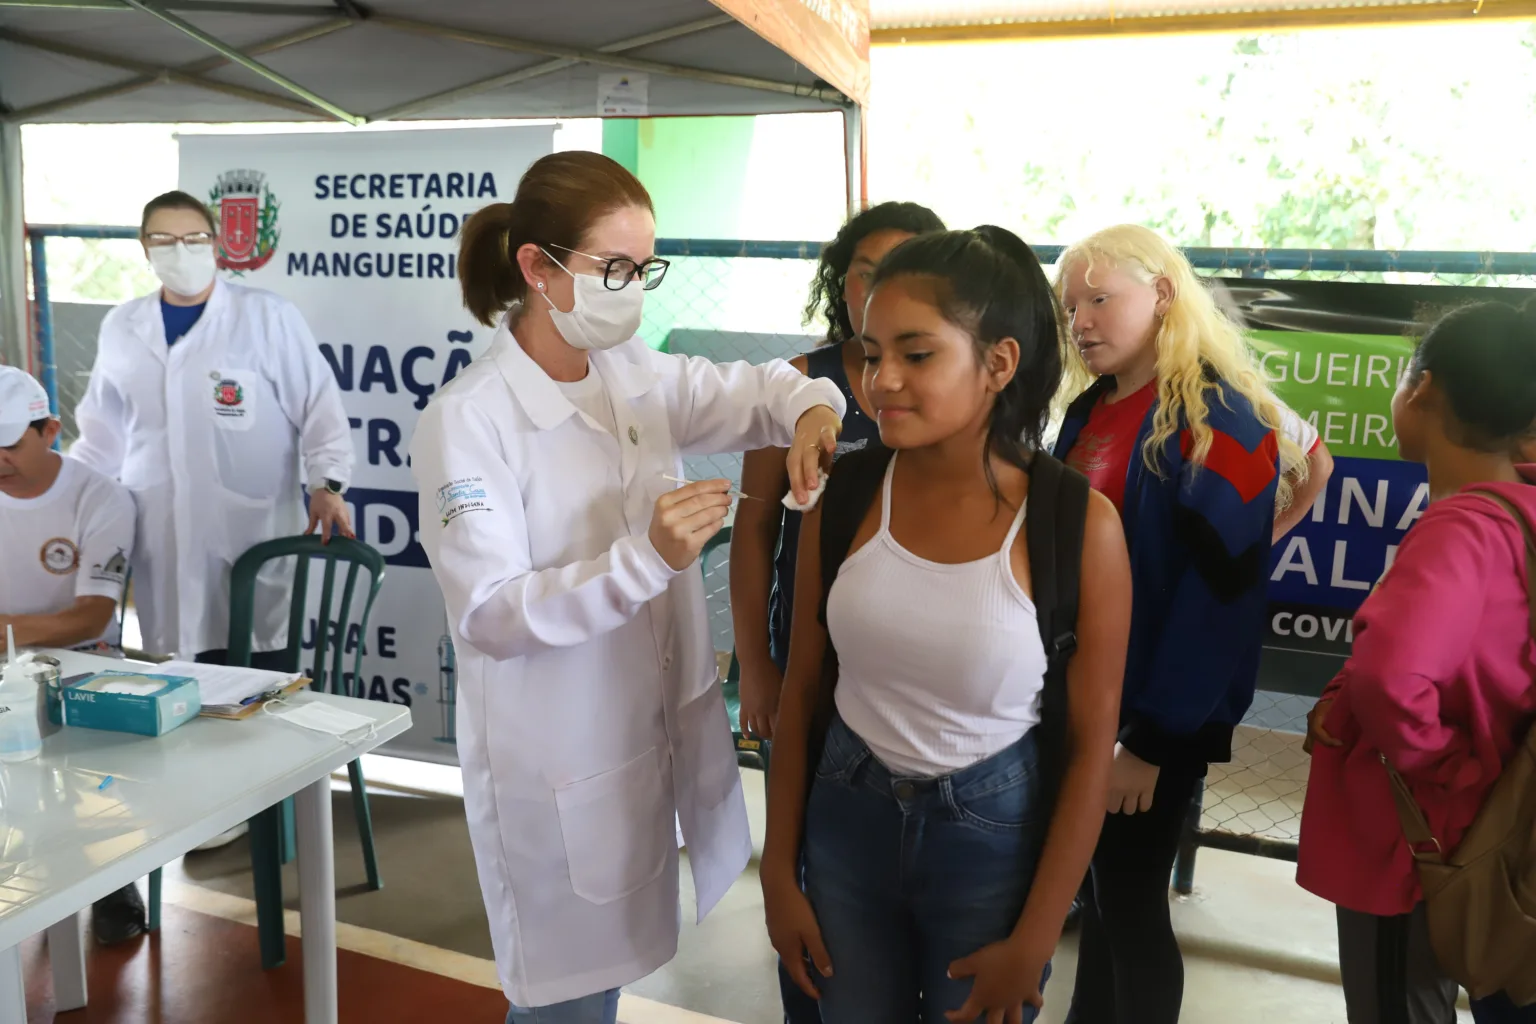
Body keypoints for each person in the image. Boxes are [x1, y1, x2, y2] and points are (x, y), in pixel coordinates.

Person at [408, 151, 846, 1024]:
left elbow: (763, 389)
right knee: (563, 1001)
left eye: (644, 268)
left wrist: (813, 413)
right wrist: (645, 560)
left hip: (634, 743)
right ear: (537, 267)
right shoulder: (470, 419)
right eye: (613, 268)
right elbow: (491, 612)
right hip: (556, 756)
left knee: (599, 993)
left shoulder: (630, 373)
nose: (633, 289)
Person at [761, 226, 1133, 1023]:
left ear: (998, 363)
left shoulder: (1077, 525)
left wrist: (1034, 940)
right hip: (843, 820)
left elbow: (1088, 751)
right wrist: (776, 874)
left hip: (990, 840)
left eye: (917, 354)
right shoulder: (845, 496)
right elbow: (801, 691)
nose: (880, 380)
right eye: (868, 352)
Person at [1051, 224, 1302, 1024]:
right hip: (1084, 703)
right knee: (1100, 901)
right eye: (1070, 307)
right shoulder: (1092, 409)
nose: (1082, 321)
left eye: (1100, 298)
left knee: (1130, 905)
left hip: (1148, 723)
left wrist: (1153, 741)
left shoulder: (1216, 420)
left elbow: (1220, 601)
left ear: (1162, 294)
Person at [72, 189, 355, 848]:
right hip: (162, 528)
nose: (182, 252)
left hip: (252, 529)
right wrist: (72, 496)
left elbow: (319, 409)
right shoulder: (124, 325)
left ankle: (272, 814)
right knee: (180, 668)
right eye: (165, 241)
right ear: (145, 250)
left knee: (257, 666)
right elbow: (101, 434)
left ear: (218, 244)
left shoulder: (266, 318)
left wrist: (327, 484)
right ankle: (208, 810)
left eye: (194, 238)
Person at [729, 201, 943, 1024]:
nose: (884, 286)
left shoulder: (945, 387)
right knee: (811, 877)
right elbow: (751, 533)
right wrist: (758, 665)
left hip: (912, 685)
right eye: (868, 270)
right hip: (809, 671)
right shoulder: (794, 381)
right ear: (840, 281)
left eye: (908, 268)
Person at [1298, 301, 1536, 1024]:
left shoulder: (1461, 527)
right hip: (1496, 830)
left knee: (1396, 1004)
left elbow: (1388, 676)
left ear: (1422, 390)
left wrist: (1444, 767)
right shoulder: (1520, 512)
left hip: (1414, 838)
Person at [0, 366, 145, 944]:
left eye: (10, 442)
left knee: (101, 770)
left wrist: (9, 632)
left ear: (50, 430)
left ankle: (115, 881)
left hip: (84, 660)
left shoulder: (99, 496)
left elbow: (92, 616)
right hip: (8, 660)